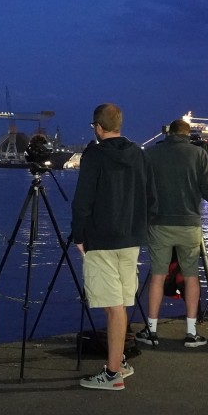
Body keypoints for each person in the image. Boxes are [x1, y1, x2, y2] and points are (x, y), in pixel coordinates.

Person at [70, 103, 152, 390]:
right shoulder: (138, 154)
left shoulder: (94, 154)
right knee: (119, 302)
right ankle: (119, 361)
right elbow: (148, 194)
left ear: (97, 127)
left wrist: (78, 235)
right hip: (131, 238)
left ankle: (113, 373)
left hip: (102, 238)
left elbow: (83, 199)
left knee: (112, 305)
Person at [136, 119, 208, 348]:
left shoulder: (151, 153)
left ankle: (151, 331)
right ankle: (191, 333)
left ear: (169, 133)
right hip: (189, 225)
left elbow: (141, 188)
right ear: (187, 134)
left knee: (158, 276)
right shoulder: (198, 154)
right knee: (191, 276)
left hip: (159, 224)